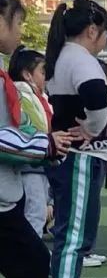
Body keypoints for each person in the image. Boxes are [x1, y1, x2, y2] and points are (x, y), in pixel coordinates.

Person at [0, 0, 71, 278]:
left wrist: (48, 145)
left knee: (30, 265)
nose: (20, 31)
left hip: (5, 198)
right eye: (18, 22)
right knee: (31, 265)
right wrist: (45, 144)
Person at [44, 0, 107, 278]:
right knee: (72, 234)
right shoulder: (80, 59)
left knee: (74, 232)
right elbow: (97, 97)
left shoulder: (63, 56)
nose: (104, 43)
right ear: (91, 31)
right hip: (79, 158)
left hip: (75, 157)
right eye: (104, 35)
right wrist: (92, 128)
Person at [10, 48, 53, 237]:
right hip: (29, 163)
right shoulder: (21, 96)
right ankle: (31, 251)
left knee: (36, 213)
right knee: (35, 214)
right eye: (43, 72)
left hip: (37, 163)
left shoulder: (38, 97)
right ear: (27, 75)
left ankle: (30, 249)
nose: (46, 77)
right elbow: (31, 128)